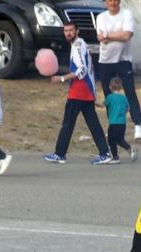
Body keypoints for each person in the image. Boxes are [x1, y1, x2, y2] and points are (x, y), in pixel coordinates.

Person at [43, 22, 112, 165]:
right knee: (93, 124)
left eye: (70, 30)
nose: (68, 33)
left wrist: (61, 78)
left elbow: (82, 70)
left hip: (79, 91)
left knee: (67, 123)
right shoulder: (79, 44)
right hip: (85, 91)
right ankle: (105, 153)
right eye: (65, 30)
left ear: (77, 31)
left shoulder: (78, 46)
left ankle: (59, 154)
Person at [96, 0, 141, 140]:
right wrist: (117, 35)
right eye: (110, 0)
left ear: (119, 1)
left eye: (115, 0)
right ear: (106, 2)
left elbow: (127, 35)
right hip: (105, 61)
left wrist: (108, 35)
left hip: (124, 60)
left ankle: (137, 125)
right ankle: (113, 126)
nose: (113, 3)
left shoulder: (127, 14)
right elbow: (102, 39)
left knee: (130, 92)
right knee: (108, 96)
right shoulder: (101, 17)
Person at [103, 77, 135, 164]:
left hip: (113, 123)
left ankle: (115, 157)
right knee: (120, 140)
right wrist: (123, 113)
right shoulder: (124, 98)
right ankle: (130, 148)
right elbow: (128, 108)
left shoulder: (110, 97)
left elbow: (103, 105)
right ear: (121, 87)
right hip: (122, 123)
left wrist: (93, 102)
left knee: (111, 140)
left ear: (110, 87)